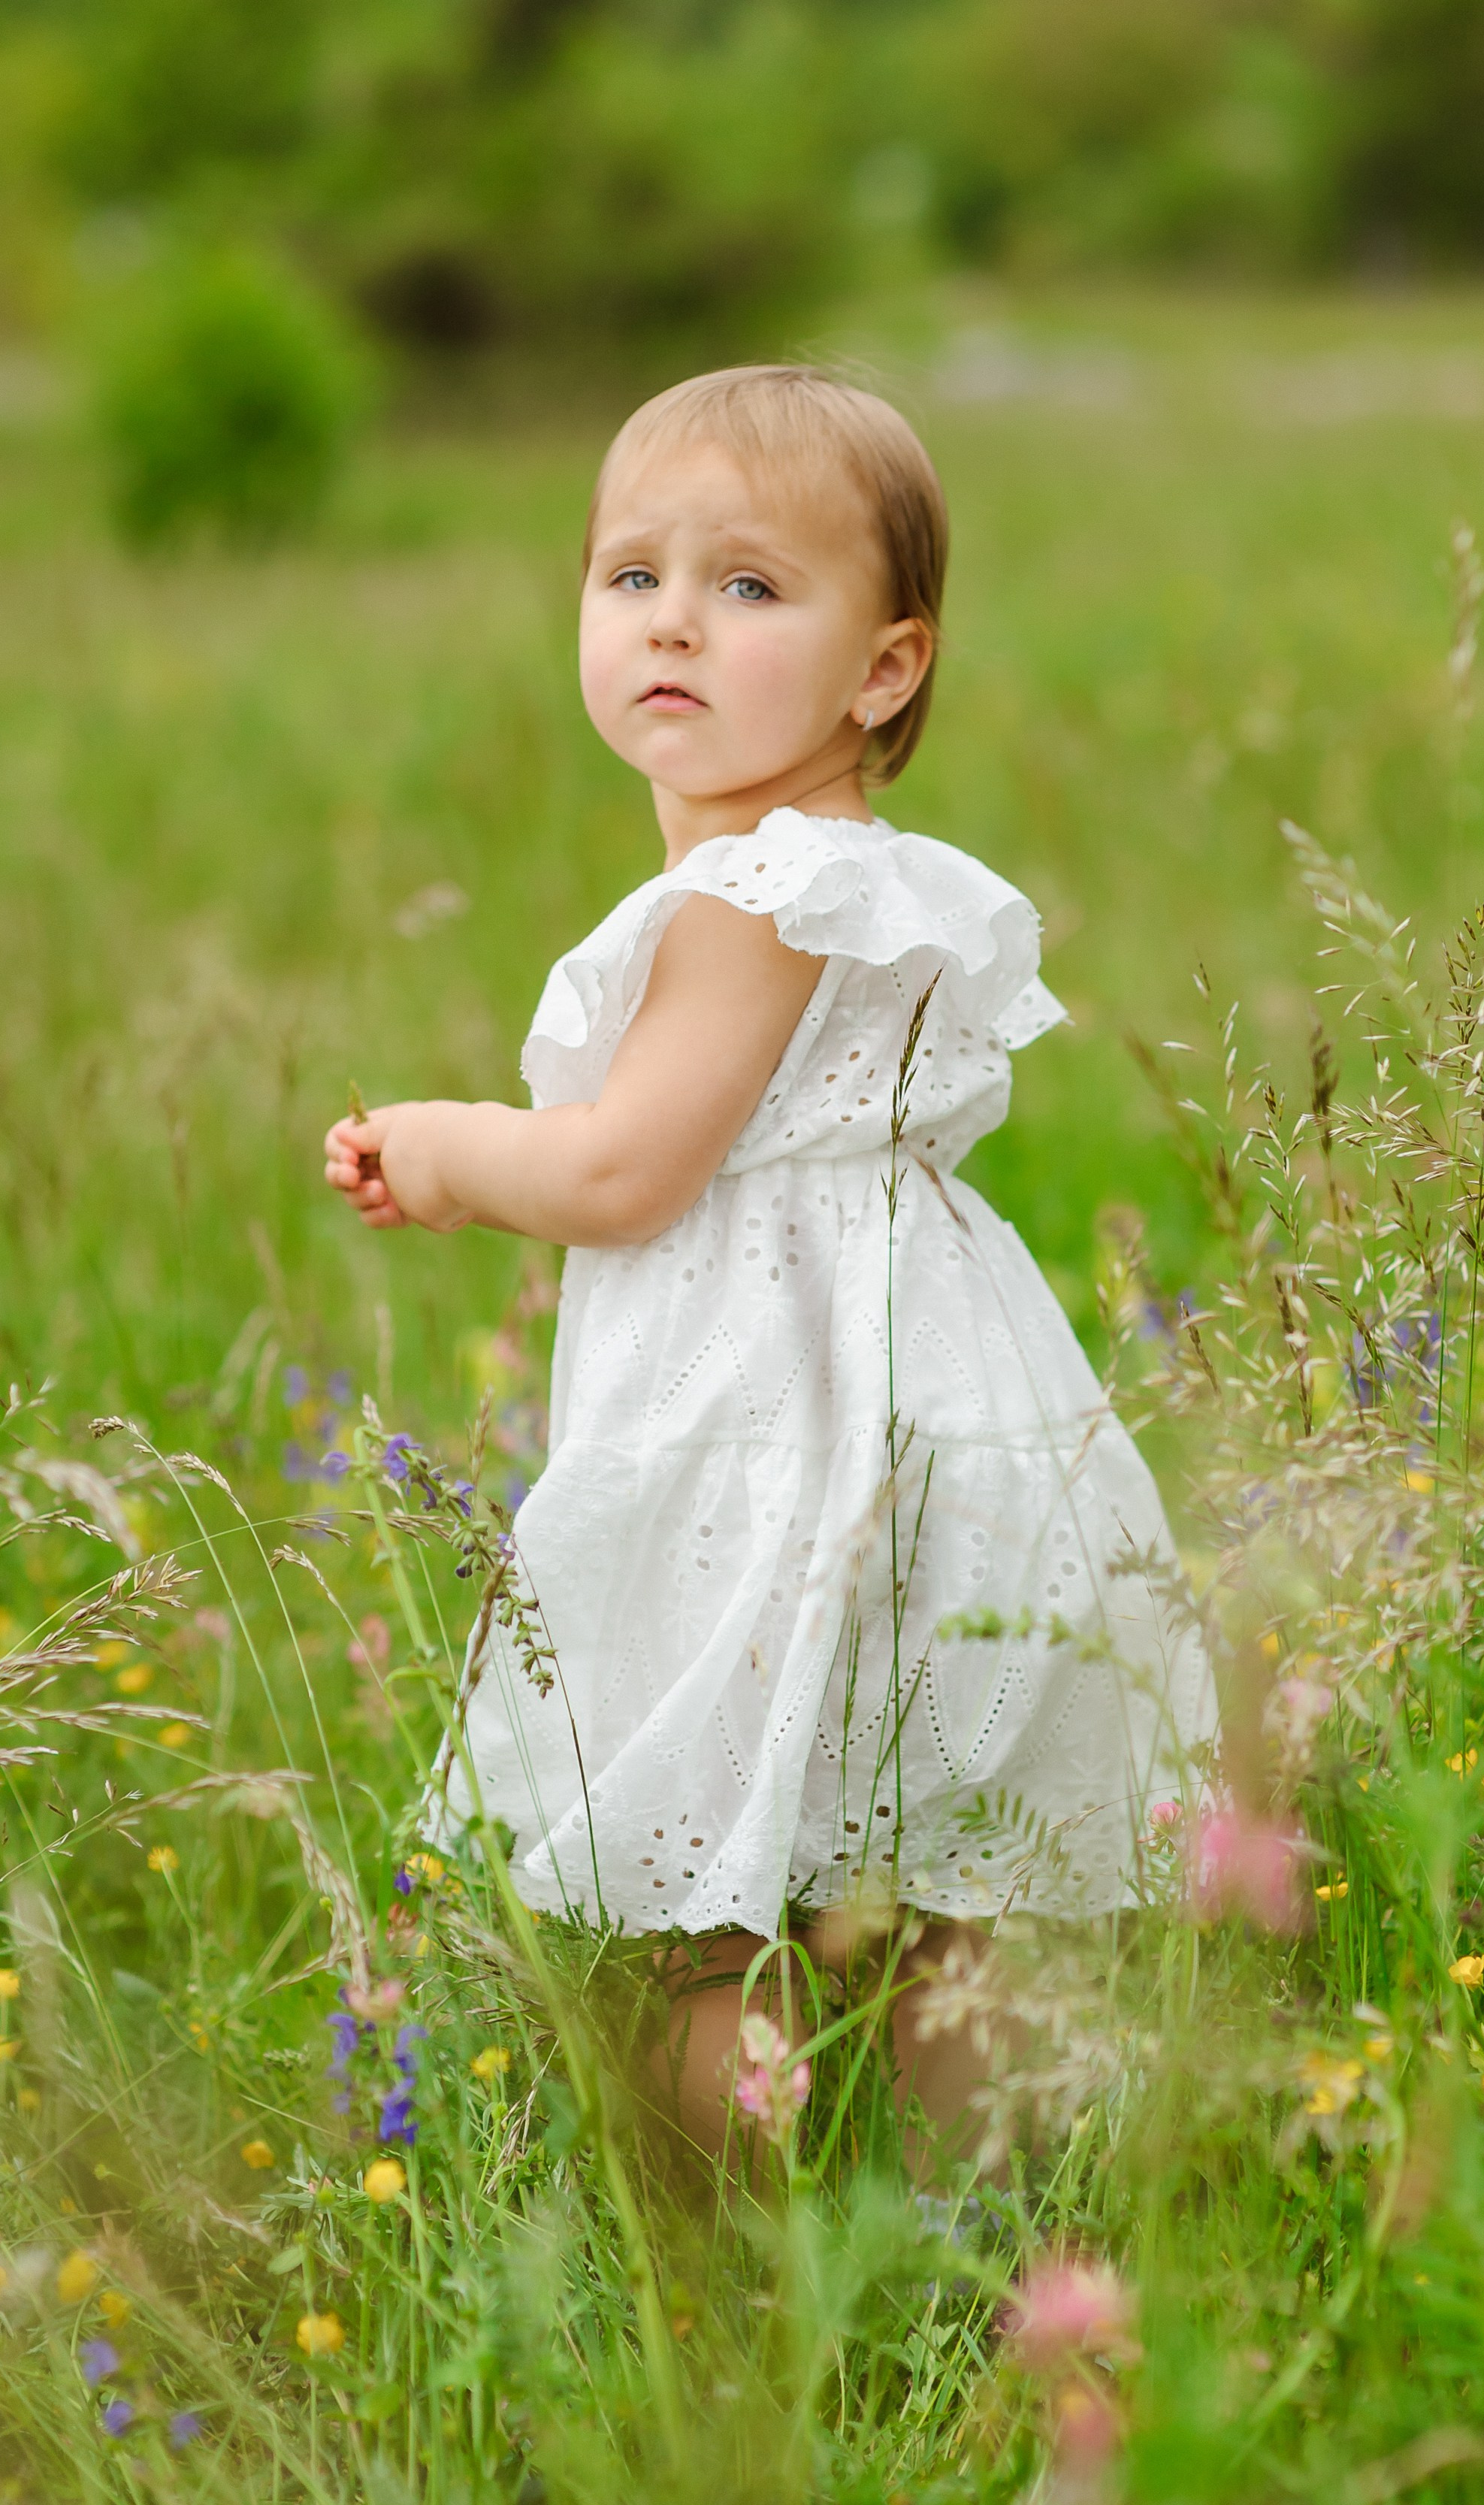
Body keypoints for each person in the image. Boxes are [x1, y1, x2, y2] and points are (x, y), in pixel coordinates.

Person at [323, 366, 1214, 2166]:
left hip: (771, 1433)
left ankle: (732, 2267)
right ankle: (992, 2226)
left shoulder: (753, 896)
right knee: (944, 1877)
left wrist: (439, 1147)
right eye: (629, 573)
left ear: (882, 668)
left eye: (746, 587)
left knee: (700, 1892)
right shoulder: (843, 874)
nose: (672, 619)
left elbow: (625, 1168)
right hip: (925, 1401)